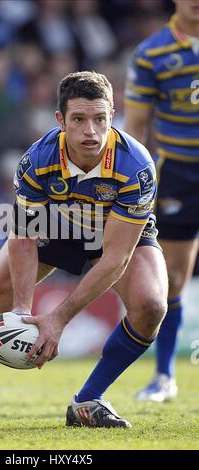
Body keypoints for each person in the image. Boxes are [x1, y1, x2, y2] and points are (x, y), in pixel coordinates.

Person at [0, 71, 168, 428]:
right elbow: (22, 234)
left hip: (115, 233)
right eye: (79, 120)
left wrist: (58, 318)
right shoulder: (37, 159)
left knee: (151, 306)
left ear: (112, 116)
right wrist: (21, 308)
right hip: (54, 229)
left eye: (100, 119)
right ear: (60, 120)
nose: (90, 131)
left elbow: (116, 258)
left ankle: (88, 400)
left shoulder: (136, 166)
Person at [124, 0, 199, 402]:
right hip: (180, 174)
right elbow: (136, 127)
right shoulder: (151, 52)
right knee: (172, 276)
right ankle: (165, 376)